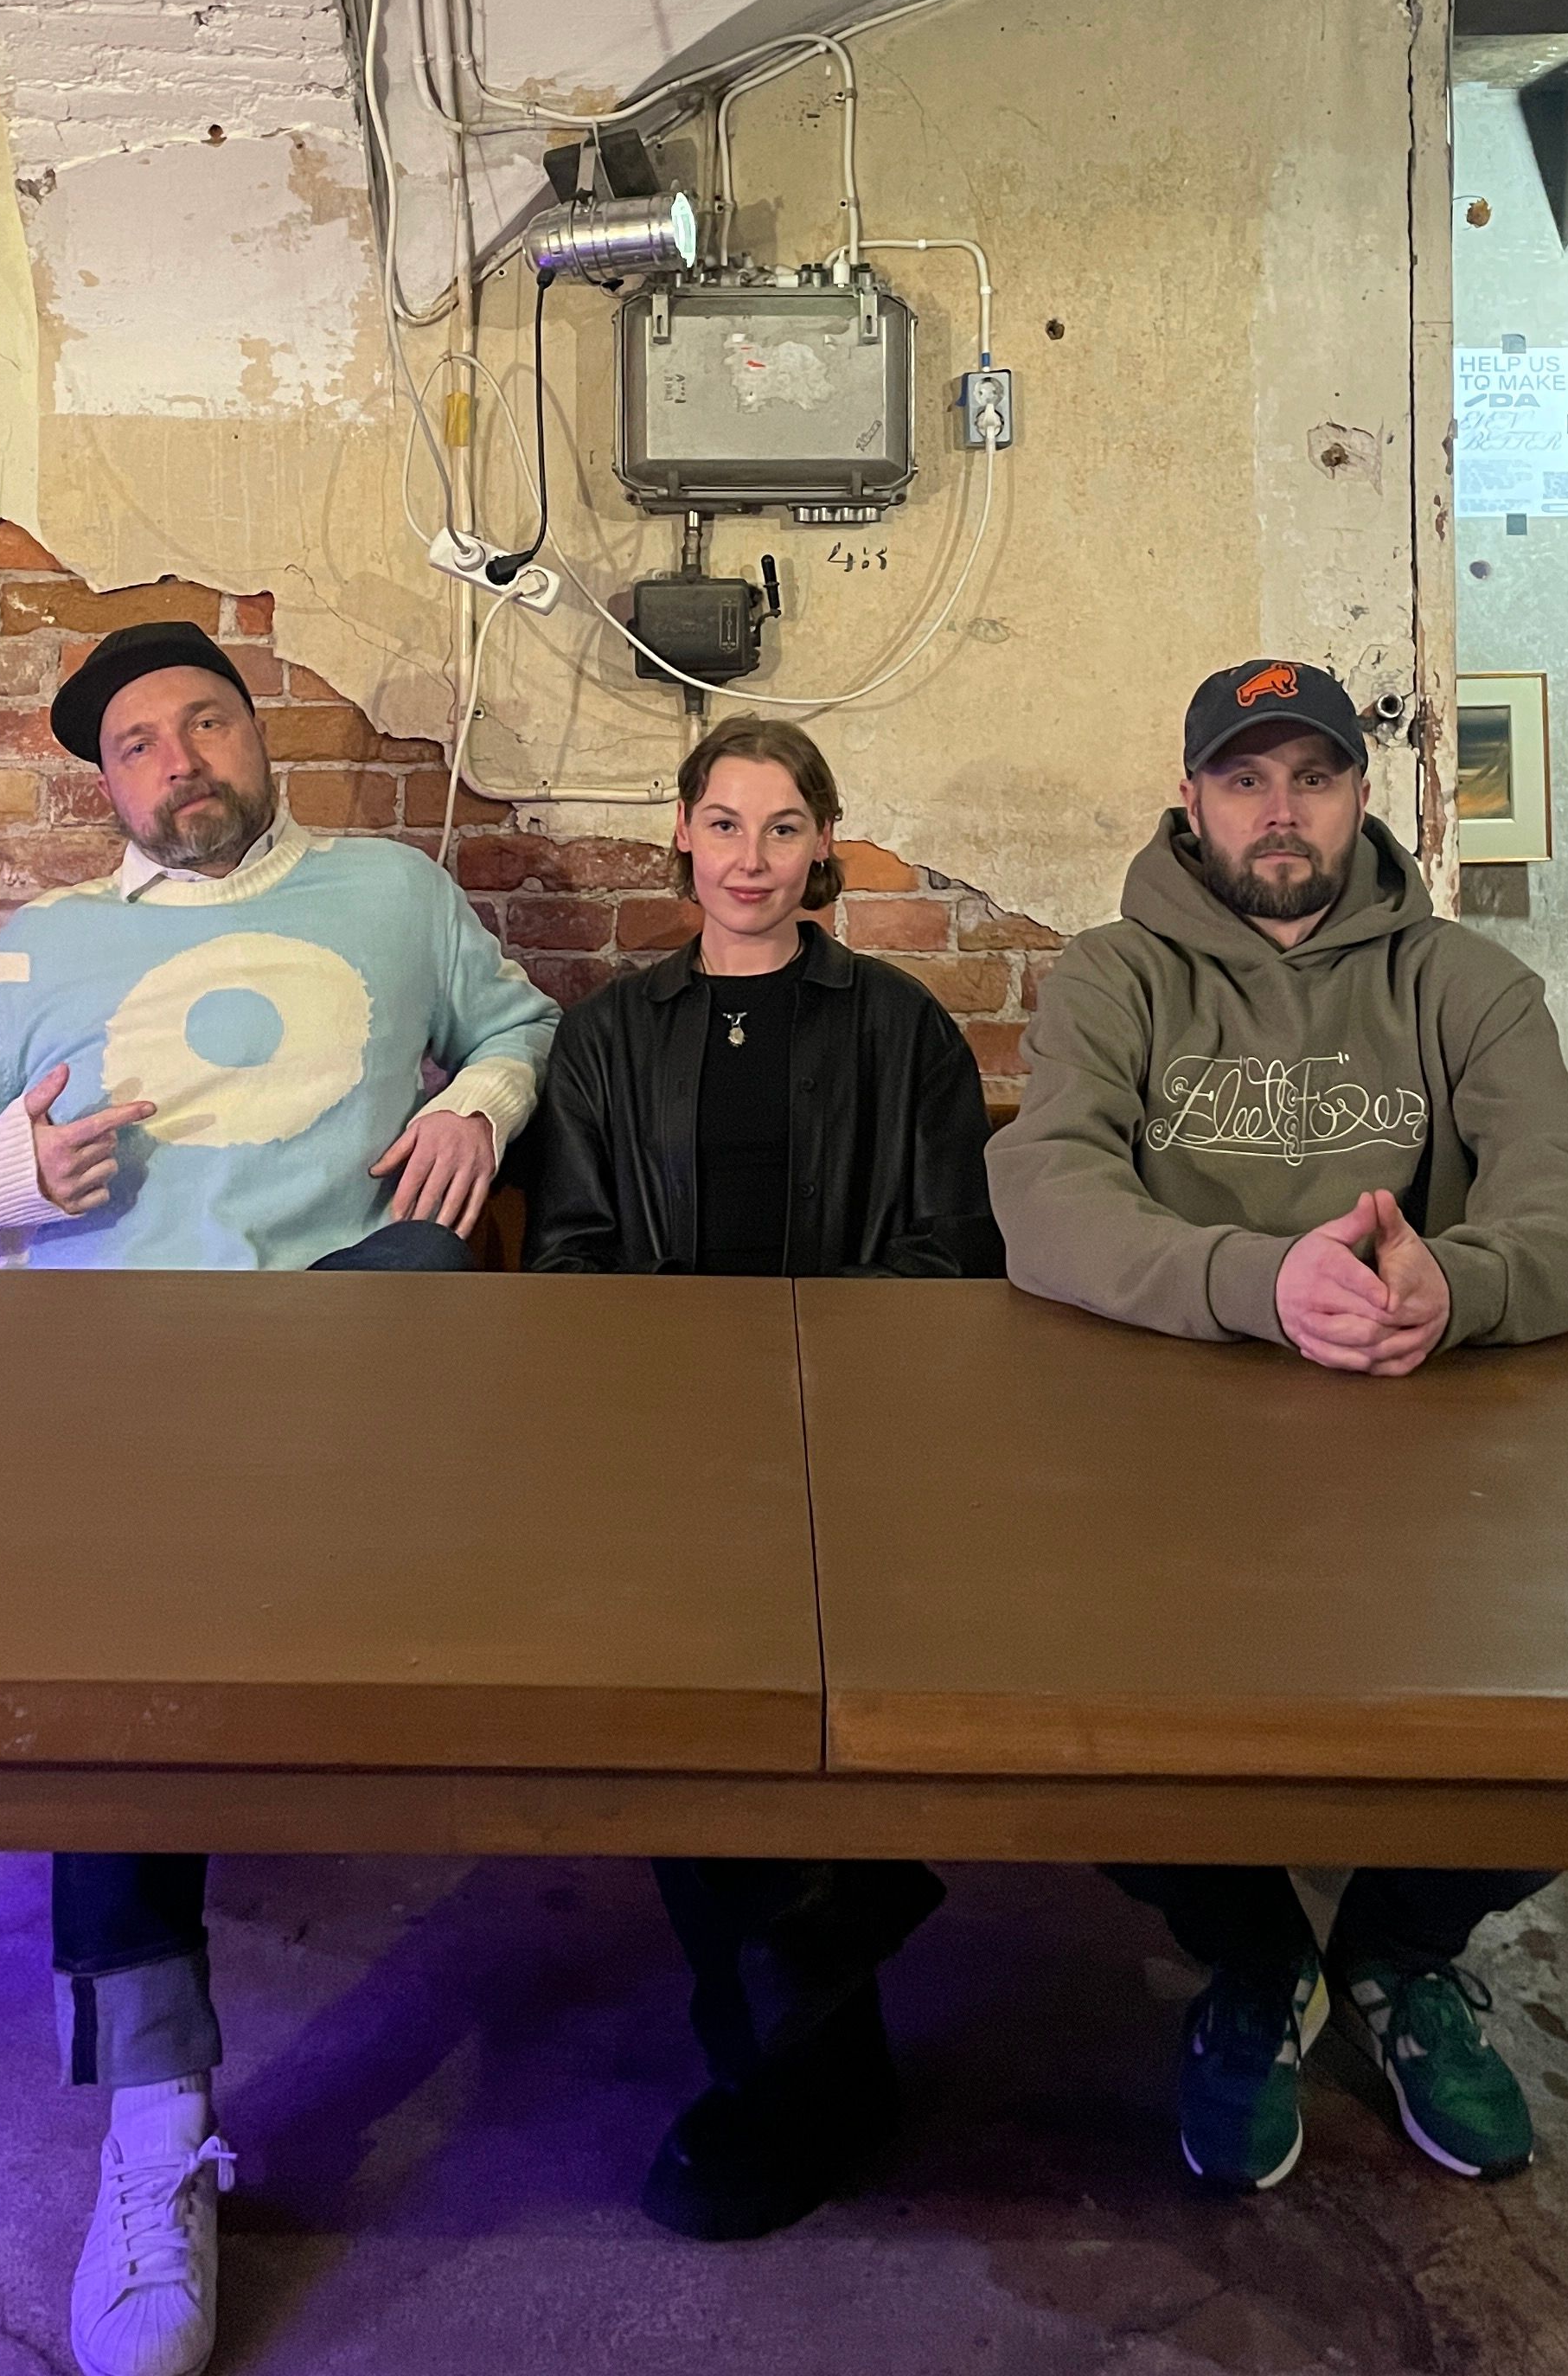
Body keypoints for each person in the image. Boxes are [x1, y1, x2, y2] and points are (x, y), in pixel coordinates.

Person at [0, 619, 556, 2376]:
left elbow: (523, 1021)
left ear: (255, 734)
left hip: (353, 1390)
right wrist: (2, 1173)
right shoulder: (45, 946)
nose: (181, 763)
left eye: (206, 723)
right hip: (116, 1419)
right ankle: (157, 2123)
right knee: (114, 1653)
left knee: (414, 1288)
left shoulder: (393, 893)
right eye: (140, 746)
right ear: (111, 786)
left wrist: (478, 1100)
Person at [988, 656, 1568, 2200]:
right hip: (1161, 1454)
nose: (1281, 811)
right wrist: (1256, 1279)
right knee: (1063, 1712)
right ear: (1192, 799)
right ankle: (1258, 1954)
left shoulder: (1465, 982)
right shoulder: (1113, 975)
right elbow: (1046, 1195)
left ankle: (1403, 1954)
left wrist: (1458, 1285)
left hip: (1424, 1450)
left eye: (1315, 777)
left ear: (1361, 793)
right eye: (1246, 779)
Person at [522, 714, 1000, 2237]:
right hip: (663, 1456)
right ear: (682, 835)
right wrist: (682, 1407)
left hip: (856, 1445)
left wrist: (806, 1375)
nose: (750, 858)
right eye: (724, 825)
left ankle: (786, 2072)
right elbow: (572, 1261)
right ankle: (825, 2004)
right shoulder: (608, 1038)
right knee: (691, 1710)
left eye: (783, 828)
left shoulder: (902, 1030)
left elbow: (952, 1257)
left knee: (777, 1700)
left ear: (824, 849)